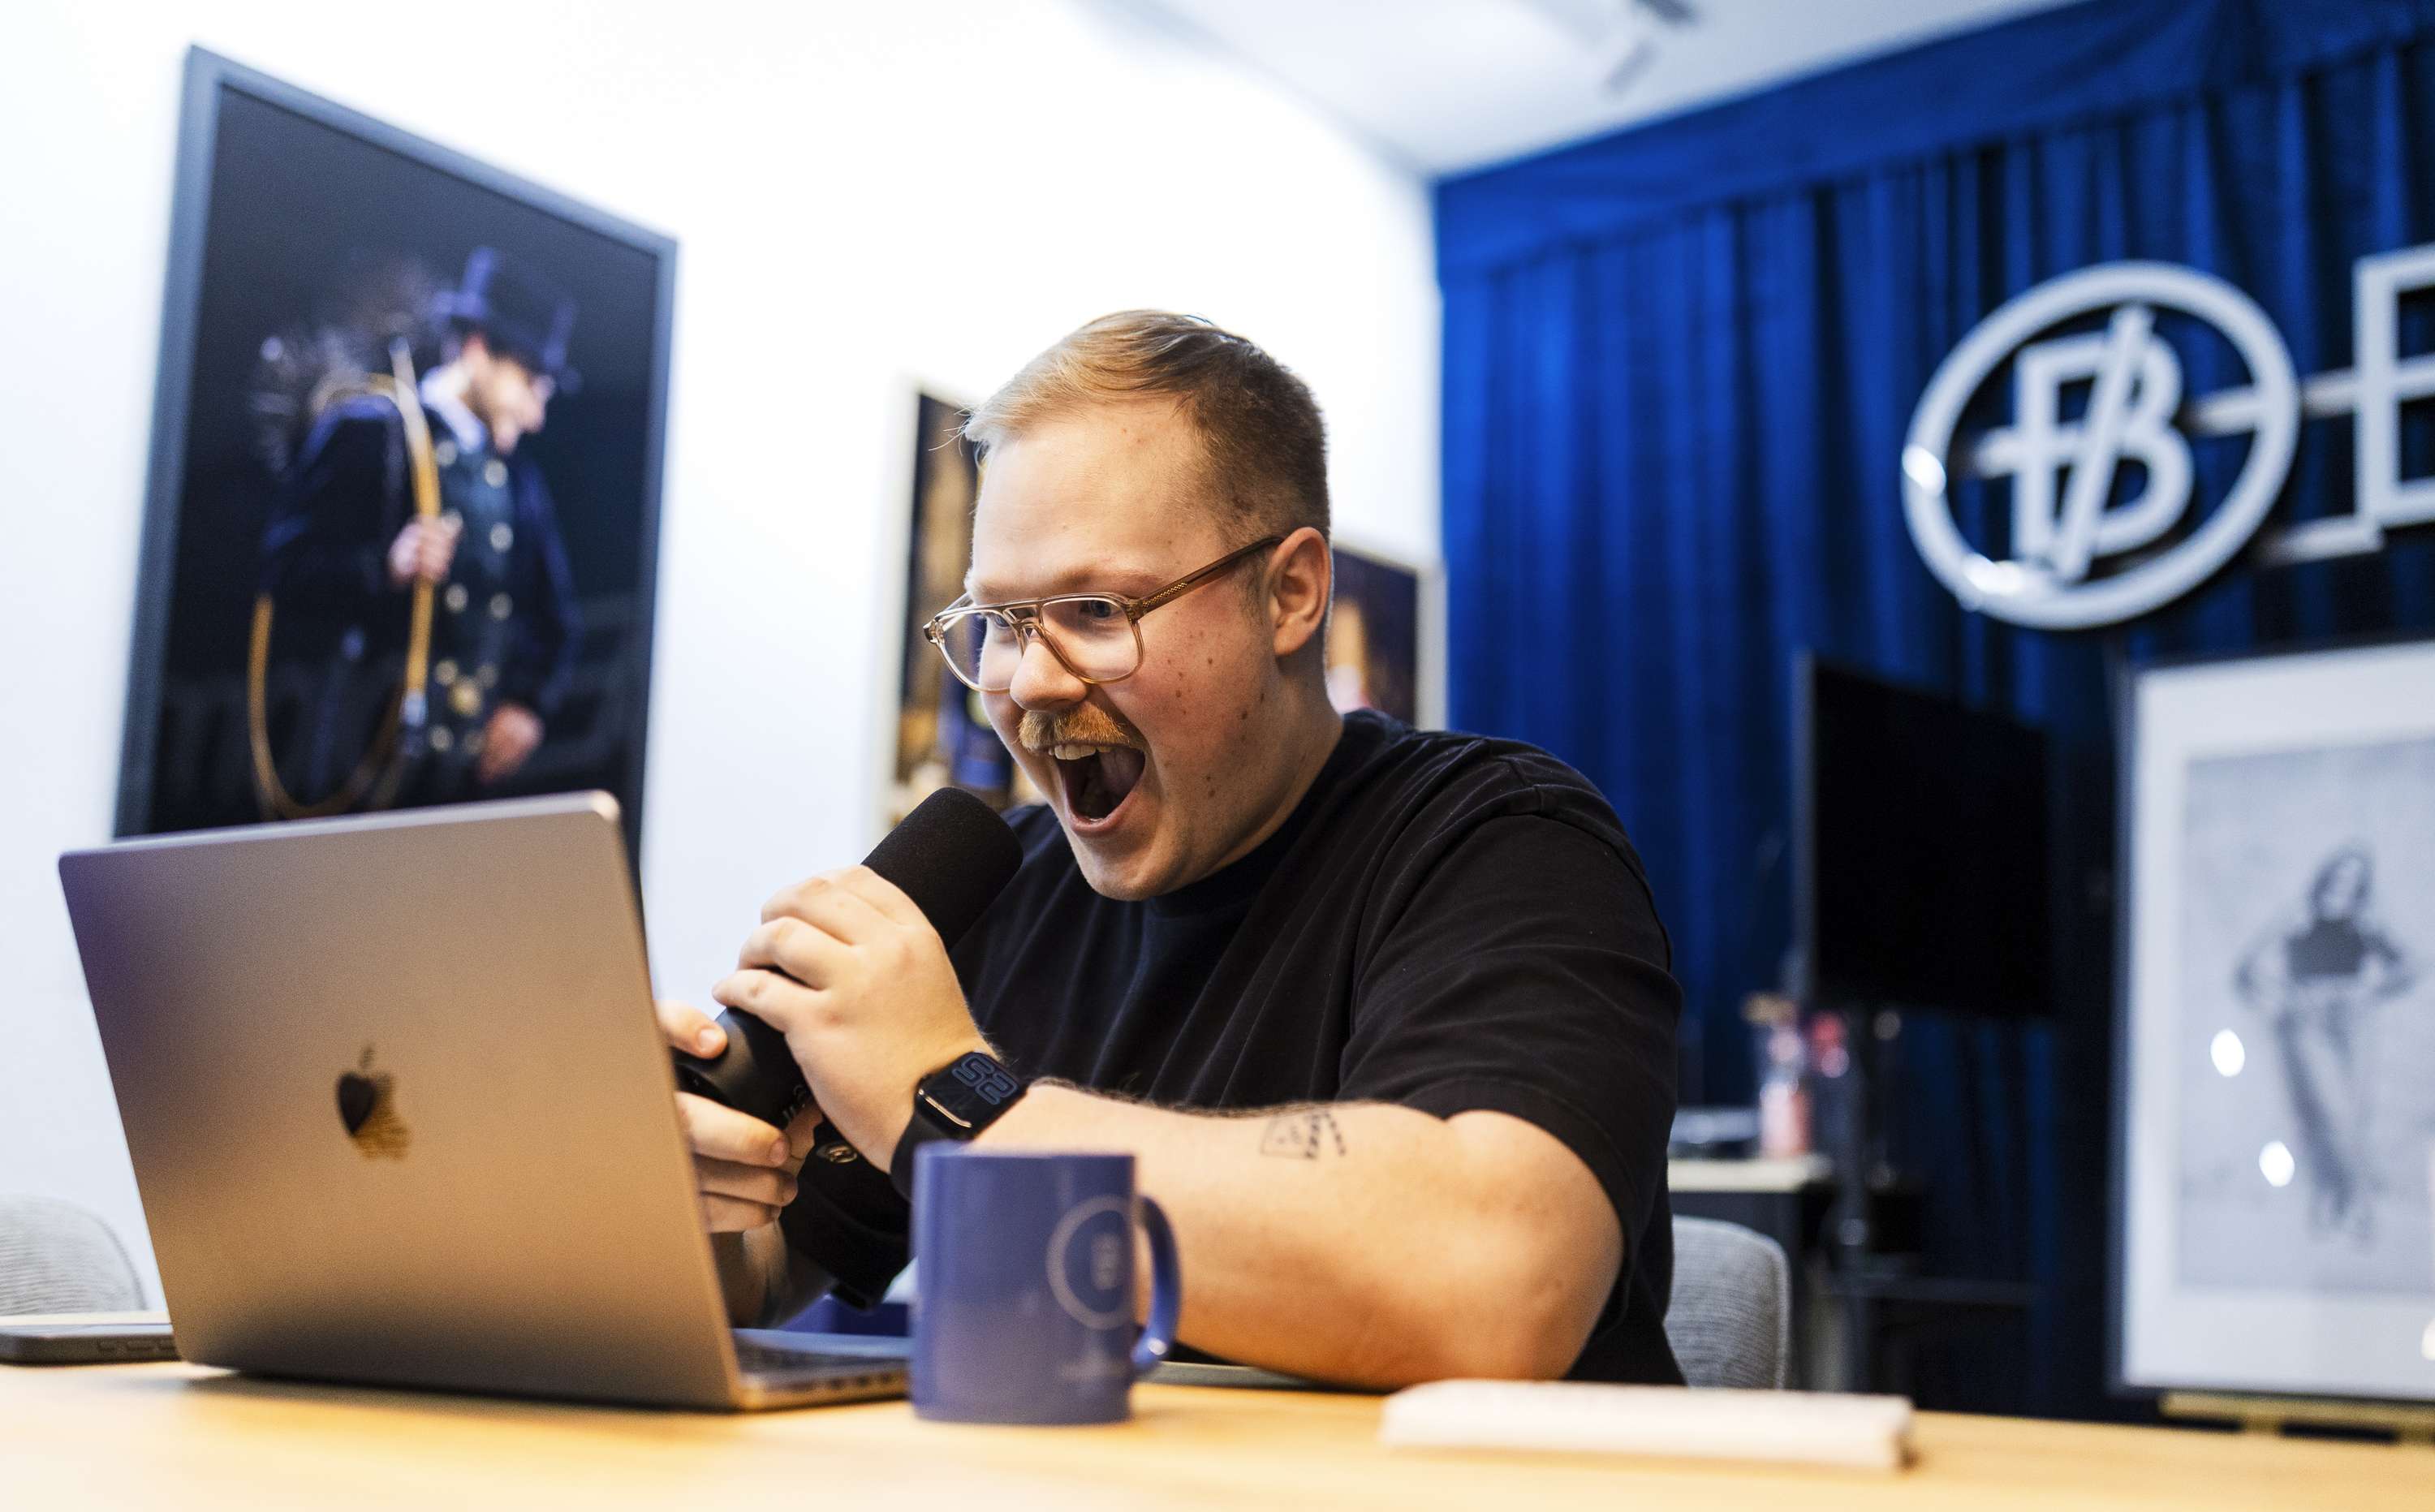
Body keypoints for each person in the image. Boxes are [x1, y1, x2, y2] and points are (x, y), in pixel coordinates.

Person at [661, 312, 1683, 1387]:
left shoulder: (1502, 840)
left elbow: (1493, 1283)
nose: (1031, 683)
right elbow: (765, 1273)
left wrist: (946, 1099)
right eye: (1003, 624)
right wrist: (664, 1179)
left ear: (1290, 594)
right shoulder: (997, 894)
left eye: (1097, 609)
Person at [256, 248, 583, 808]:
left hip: (462, 780)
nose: (537, 415)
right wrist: (386, 566)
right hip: (361, 769)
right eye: (531, 384)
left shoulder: (520, 482)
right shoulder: (370, 432)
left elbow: (557, 619)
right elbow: (281, 572)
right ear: (479, 350)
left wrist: (529, 705)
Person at [2234, 844, 2419, 1239]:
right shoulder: (2299, 916)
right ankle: (2359, 1202)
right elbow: (2248, 968)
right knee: (2331, 1114)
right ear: (2327, 875)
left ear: (2360, 885)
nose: (2344, 885)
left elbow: (2411, 965)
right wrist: (2285, 994)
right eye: (2340, 875)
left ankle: (2335, 1199)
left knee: (2357, 1115)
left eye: (2354, 879)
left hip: (2355, 1022)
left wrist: (2370, 990)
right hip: (2309, 1023)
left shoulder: (2366, 923)